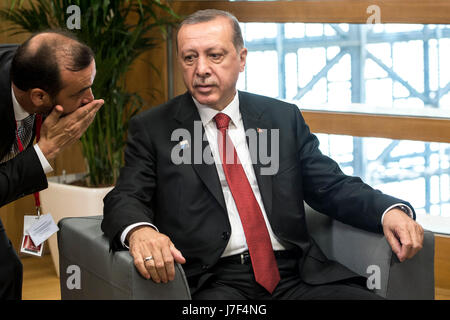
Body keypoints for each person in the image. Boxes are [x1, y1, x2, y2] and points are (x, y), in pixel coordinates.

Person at [102, 9, 424, 300]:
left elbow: (331, 186)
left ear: (242, 58)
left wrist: (388, 211)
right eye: (189, 58)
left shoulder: (281, 118)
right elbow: (125, 197)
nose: (201, 69)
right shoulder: (154, 129)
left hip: (295, 277)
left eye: (214, 55)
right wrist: (140, 231)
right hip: (216, 283)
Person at [0, 30, 104, 299]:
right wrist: (45, 151)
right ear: (38, 97)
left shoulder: (29, 68)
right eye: (81, 92)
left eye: (90, 84)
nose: (90, 99)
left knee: (6, 271)